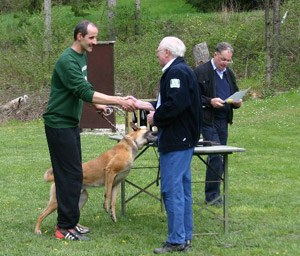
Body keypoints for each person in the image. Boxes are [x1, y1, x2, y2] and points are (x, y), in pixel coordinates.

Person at [42, 20, 136, 241]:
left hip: (70, 124)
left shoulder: (81, 56)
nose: (95, 41)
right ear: (79, 37)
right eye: (92, 38)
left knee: (74, 174)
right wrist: (120, 100)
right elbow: (84, 90)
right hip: (58, 124)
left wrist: (96, 104)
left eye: (96, 37)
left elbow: (83, 88)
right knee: (67, 177)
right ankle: (63, 228)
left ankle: (71, 222)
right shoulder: (67, 60)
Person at [133, 36, 202, 254]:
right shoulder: (180, 71)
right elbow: (170, 101)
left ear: (167, 52)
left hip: (177, 140)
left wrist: (156, 118)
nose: (156, 54)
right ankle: (185, 236)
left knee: (172, 190)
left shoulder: (177, 73)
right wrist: (145, 105)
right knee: (182, 189)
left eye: (158, 50)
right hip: (182, 138)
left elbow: (175, 105)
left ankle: (176, 240)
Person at [193, 42, 242, 207]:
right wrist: (210, 102)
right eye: (223, 59)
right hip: (207, 120)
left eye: (228, 60)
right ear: (215, 55)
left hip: (223, 120)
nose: (225, 63)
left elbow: (235, 93)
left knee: (221, 156)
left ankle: (215, 193)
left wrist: (237, 102)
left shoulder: (229, 74)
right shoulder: (201, 72)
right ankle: (212, 195)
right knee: (215, 155)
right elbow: (192, 97)